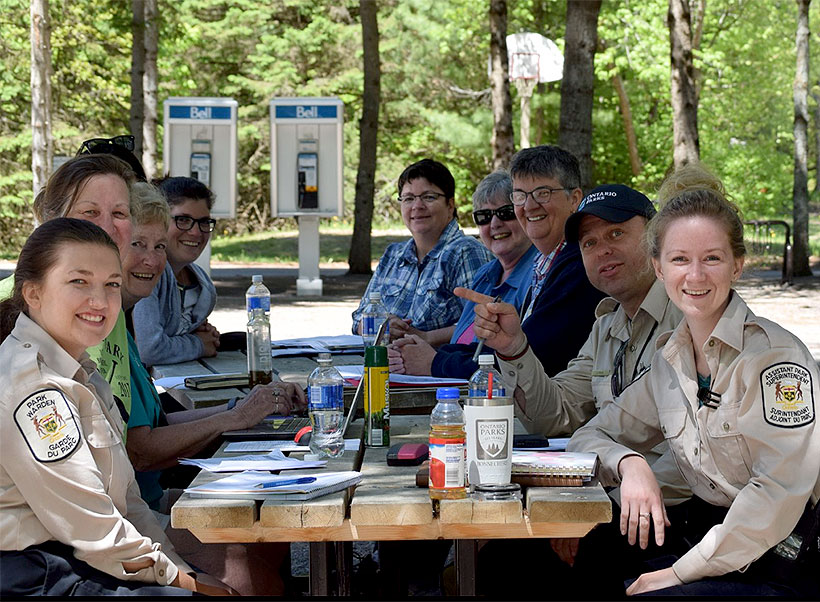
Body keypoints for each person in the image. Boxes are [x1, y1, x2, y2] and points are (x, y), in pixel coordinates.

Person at [566, 163, 820, 597]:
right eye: (680, 259)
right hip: (713, 532)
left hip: (787, 555)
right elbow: (590, 436)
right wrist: (630, 464)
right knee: (592, 555)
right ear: (659, 269)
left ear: (738, 265)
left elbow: (776, 496)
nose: (696, 276)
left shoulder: (776, 361)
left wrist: (680, 572)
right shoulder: (671, 360)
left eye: (713, 258)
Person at [466, 184, 689, 598]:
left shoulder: (689, 314)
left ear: (657, 238)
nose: (602, 249)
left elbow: (691, 461)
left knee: (517, 567)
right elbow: (560, 413)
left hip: (677, 513)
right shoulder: (608, 324)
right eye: (589, 242)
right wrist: (515, 350)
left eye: (616, 233)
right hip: (617, 498)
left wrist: (591, 513)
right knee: (497, 559)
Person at [0, 218, 231, 596]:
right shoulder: (35, 392)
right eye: (80, 282)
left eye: (111, 284)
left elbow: (127, 502)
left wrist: (180, 569)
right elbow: (94, 529)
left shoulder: (83, 374)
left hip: (81, 560)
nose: (100, 300)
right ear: (33, 293)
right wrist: (183, 581)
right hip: (39, 575)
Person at [121, 182, 301, 596]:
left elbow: (157, 422)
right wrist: (234, 416)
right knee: (244, 561)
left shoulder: (119, 324)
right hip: (127, 513)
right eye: (138, 245)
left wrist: (247, 406)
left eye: (158, 248)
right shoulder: (101, 326)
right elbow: (140, 450)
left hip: (143, 499)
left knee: (269, 523)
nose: (152, 260)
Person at [441, 145, 606, 380]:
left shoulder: (579, 265)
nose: (529, 206)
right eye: (520, 196)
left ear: (575, 199)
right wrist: (440, 353)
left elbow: (534, 359)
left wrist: (435, 361)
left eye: (543, 193)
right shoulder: (544, 263)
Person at [0, 154, 138, 422]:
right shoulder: (10, 299)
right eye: (90, 212)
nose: (108, 227)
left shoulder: (109, 302)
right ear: (52, 220)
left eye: (119, 213)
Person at [387, 170, 536, 376]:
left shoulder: (538, 274)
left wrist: (432, 361)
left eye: (506, 213)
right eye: (483, 217)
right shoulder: (485, 275)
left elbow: (516, 364)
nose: (494, 224)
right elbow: (462, 346)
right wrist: (409, 352)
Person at [350, 159, 492, 341]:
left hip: (435, 367)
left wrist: (426, 337)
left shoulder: (465, 253)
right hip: (384, 365)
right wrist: (382, 326)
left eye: (428, 197)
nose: (417, 206)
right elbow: (358, 318)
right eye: (408, 198)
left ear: (450, 205)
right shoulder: (393, 255)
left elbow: (481, 324)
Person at [133, 176, 220, 367]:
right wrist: (198, 344)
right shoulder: (145, 274)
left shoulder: (201, 284)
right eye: (183, 220)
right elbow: (148, 349)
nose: (196, 232)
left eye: (204, 222)